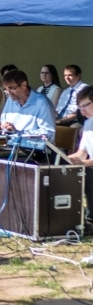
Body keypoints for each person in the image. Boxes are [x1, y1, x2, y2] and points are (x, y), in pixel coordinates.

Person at [0, 69, 56, 141]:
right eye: (6, 89)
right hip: (11, 146)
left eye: (11, 88)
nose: (8, 93)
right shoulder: (11, 99)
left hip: (34, 149)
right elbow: (4, 122)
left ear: (24, 85)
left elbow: (48, 134)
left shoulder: (42, 103)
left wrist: (19, 133)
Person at [67, 86, 93, 225]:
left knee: (88, 172)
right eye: (79, 107)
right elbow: (82, 153)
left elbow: (86, 161)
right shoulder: (88, 123)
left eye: (85, 106)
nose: (82, 112)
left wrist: (84, 163)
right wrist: (68, 159)